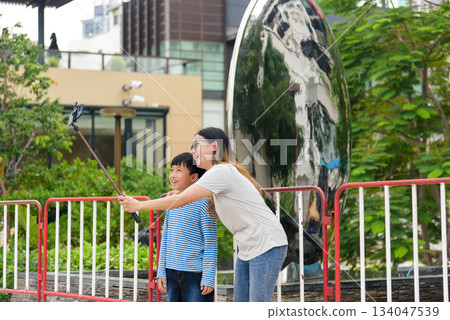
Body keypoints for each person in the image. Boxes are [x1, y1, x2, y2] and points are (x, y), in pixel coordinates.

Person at [119, 127, 288, 302]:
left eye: (196, 145)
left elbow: (184, 200)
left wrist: (139, 205)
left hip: (267, 243)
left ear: (214, 146)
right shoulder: (217, 176)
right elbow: (191, 200)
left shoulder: (222, 171)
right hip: (248, 248)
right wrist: (179, 195)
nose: (192, 151)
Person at [157, 152, 217, 302]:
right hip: (171, 272)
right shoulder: (171, 202)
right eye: (172, 170)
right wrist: (161, 271)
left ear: (193, 177)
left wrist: (208, 278)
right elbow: (165, 239)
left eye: (179, 170)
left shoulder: (203, 204)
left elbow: (211, 243)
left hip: (195, 274)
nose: (173, 175)